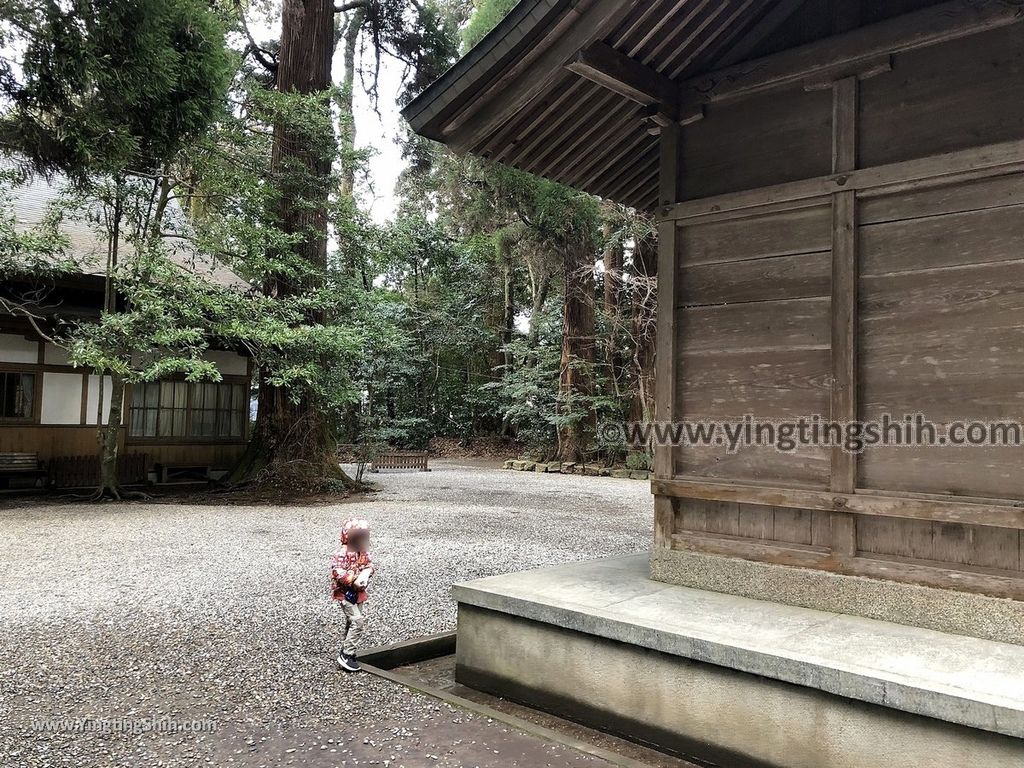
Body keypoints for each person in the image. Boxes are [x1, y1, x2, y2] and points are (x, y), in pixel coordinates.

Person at [330, 518, 375, 672]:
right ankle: (346, 654)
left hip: (358, 593)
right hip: (345, 594)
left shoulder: (363, 553)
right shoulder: (341, 554)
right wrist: (353, 581)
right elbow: (337, 572)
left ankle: (348, 648)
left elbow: (369, 565)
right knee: (357, 621)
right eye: (358, 537)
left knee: (352, 622)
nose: (361, 540)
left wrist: (366, 574)